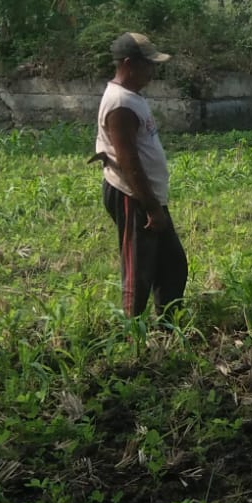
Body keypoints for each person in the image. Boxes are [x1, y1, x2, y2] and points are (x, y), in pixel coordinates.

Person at [94, 32, 187, 318]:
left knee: (172, 264)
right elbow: (129, 161)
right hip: (132, 195)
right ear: (128, 64)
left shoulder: (132, 97)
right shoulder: (120, 104)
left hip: (147, 196)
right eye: (148, 64)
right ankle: (132, 339)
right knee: (138, 268)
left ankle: (168, 327)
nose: (152, 71)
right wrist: (151, 208)